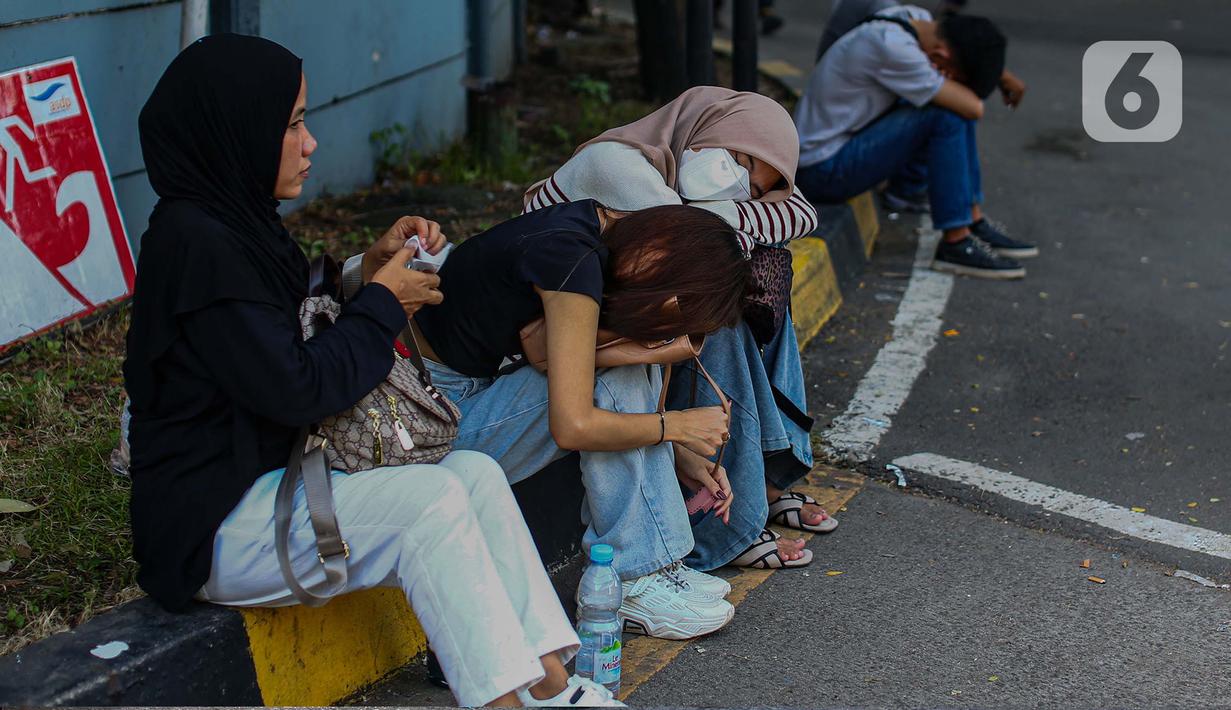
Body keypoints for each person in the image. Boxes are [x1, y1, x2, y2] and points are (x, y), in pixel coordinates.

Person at [124, 34, 620, 708]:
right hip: (216, 524)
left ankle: (550, 687)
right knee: (429, 504)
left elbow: (289, 317)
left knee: (470, 473)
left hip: (277, 485)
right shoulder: (199, 248)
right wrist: (386, 303)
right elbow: (300, 387)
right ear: (236, 130)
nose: (311, 143)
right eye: (293, 123)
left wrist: (367, 268)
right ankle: (504, 701)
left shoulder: (233, 224)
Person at [523, 86, 835, 573]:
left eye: (755, 187)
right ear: (705, 129)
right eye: (740, 158)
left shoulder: (670, 169)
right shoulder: (614, 163)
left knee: (764, 277)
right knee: (722, 303)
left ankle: (766, 477)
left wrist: (728, 215)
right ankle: (728, 525)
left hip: (607, 309)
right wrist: (739, 217)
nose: (740, 182)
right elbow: (700, 235)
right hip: (549, 326)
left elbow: (802, 213)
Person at [412, 201, 748, 641]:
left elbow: (541, 354)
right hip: (430, 424)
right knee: (612, 378)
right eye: (679, 293)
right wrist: (675, 426)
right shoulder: (571, 264)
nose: (668, 305)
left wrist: (677, 450)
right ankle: (631, 578)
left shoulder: (591, 227)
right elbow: (573, 425)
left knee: (624, 365)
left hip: (466, 397)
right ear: (663, 247)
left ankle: (657, 564)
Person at [795, 5, 1038, 279]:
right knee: (948, 114)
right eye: (945, 69)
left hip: (838, 148)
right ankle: (956, 241)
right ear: (939, 54)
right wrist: (987, 81)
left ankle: (963, 215)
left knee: (945, 101)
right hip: (821, 170)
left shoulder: (915, 20)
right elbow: (974, 108)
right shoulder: (893, 48)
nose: (940, 72)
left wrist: (997, 72)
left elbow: (964, 41)